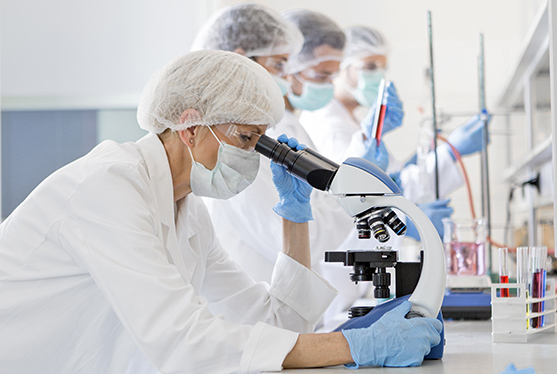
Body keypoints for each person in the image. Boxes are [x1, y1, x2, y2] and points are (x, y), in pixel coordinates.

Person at [0, 50, 441, 372]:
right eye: (248, 139)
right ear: (191, 127)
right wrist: (353, 346)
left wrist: (295, 215)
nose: (253, 157)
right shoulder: (106, 189)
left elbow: (277, 323)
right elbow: (183, 341)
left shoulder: (186, 211)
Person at [196, 7, 387, 330]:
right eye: (281, 64)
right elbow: (301, 242)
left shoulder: (279, 130)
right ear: (242, 60)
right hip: (254, 323)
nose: (287, 74)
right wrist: (349, 198)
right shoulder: (238, 146)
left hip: (278, 321)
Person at [300, 25, 489, 239]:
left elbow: (391, 181)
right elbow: (352, 203)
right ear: (341, 66)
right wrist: (409, 222)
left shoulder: (352, 120)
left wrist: (428, 153)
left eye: (382, 67)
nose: (378, 75)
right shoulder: (331, 127)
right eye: (370, 66)